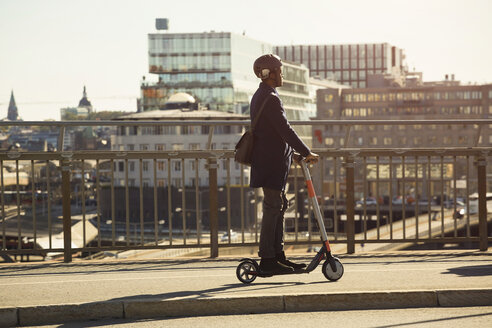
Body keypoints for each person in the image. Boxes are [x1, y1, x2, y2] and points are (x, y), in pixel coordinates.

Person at [249, 54, 319, 274]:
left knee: (279, 207)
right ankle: (267, 259)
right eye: (279, 70)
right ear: (268, 74)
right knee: (272, 209)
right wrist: (306, 151)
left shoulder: (267, 95)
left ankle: (278, 256)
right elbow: (284, 130)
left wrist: (296, 156)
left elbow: (275, 134)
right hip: (270, 164)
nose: (282, 74)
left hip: (273, 162)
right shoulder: (269, 98)